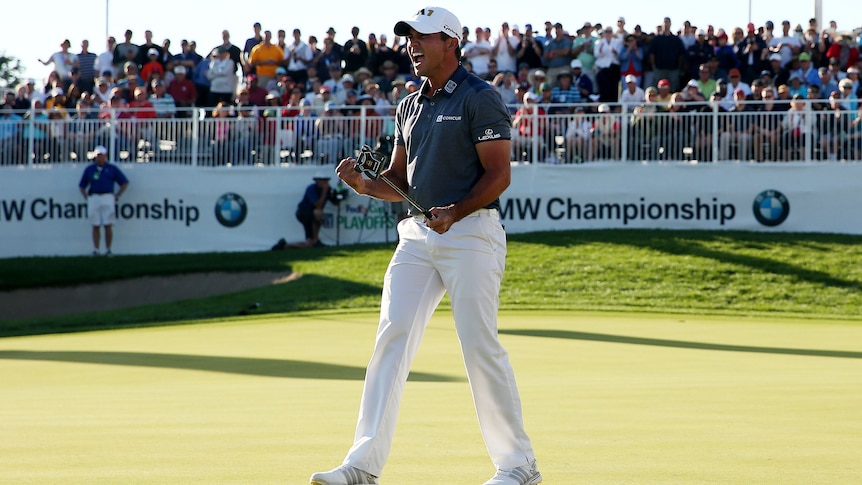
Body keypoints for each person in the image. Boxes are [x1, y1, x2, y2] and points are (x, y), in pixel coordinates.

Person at [312, 7, 541, 485]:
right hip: (417, 235)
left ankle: (518, 465)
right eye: (409, 38)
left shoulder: (481, 98)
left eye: (424, 38)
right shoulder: (409, 103)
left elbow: (499, 175)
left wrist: (454, 211)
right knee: (391, 340)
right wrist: (362, 184)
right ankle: (362, 466)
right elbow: (398, 181)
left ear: (451, 43)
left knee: (479, 346)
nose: (412, 46)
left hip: (472, 232)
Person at [78, 145, 129, 256]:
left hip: (107, 197)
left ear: (105, 156)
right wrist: (86, 196)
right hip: (94, 197)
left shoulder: (111, 168)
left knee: (108, 224)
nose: (99, 158)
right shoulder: (90, 169)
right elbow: (82, 185)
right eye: (98, 155)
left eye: (101, 155)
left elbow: (124, 182)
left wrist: (117, 195)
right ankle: (96, 249)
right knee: (95, 225)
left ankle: (108, 249)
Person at [273, 171, 332, 249]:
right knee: (318, 212)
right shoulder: (312, 189)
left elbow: (335, 202)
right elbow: (318, 205)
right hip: (304, 213)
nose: (323, 182)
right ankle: (316, 240)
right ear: (317, 181)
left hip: (311, 214)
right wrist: (324, 192)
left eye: (325, 180)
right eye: (321, 180)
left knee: (309, 243)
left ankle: (284, 246)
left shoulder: (328, 190)